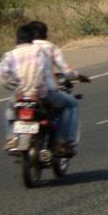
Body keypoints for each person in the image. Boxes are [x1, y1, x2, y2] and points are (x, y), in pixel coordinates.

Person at [28, 21, 90, 154]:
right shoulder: (50, 48)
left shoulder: (22, 49)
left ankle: (12, 138)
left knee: (12, 108)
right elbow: (66, 70)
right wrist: (79, 76)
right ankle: (64, 141)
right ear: (46, 34)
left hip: (24, 93)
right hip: (46, 91)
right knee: (71, 104)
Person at [0, 24, 50, 151]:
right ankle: (58, 140)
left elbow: (2, 75)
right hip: (39, 93)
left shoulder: (10, 55)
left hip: (20, 94)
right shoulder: (40, 52)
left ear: (17, 39)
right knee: (53, 111)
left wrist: (17, 87)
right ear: (32, 39)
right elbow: (44, 72)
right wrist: (36, 88)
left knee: (10, 110)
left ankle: (12, 138)